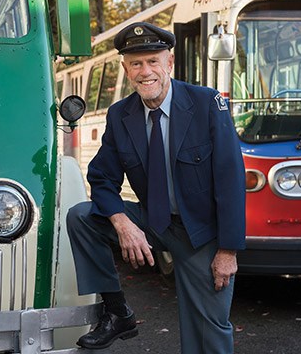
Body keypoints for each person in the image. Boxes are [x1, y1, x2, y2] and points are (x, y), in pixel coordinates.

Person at [67, 22, 246, 353]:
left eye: (153, 61)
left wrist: (228, 251)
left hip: (201, 233)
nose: (145, 71)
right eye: (136, 63)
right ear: (126, 68)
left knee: (208, 328)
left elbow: (230, 178)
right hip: (153, 222)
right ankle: (117, 312)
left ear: (170, 63)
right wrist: (123, 224)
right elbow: (102, 177)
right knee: (80, 216)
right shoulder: (121, 114)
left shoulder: (206, 103)